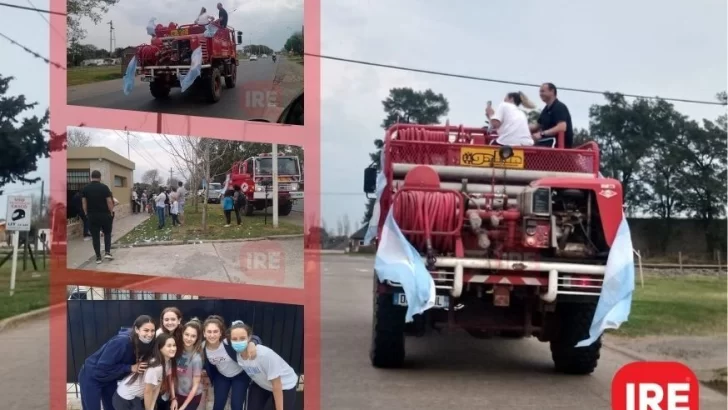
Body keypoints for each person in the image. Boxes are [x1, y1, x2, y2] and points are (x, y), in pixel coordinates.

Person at [78, 315, 156, 410]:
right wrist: (130, 368)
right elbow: (103, 366)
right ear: (136, 329)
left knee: (112, 407)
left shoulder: (144, 342)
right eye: (146, 330)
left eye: (152, 331)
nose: (150, 334)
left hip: (110, 377)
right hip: (91, 376)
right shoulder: (121, 342)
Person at [230, 321, 299, 410]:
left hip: (284, 385)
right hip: (262, 384)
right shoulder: (238, 356)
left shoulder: (264, 355)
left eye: (242, 338)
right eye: (234, 339)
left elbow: (277, 385)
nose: (238, 342)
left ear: (249, 337)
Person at [201, 316, 261, 410]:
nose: (212, 335)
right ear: (204, 333)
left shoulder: (228, 341)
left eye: (215, 331)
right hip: (221, 376)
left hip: (240, 375)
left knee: (236, 405)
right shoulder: (203, 347)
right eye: (209, 332)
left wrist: (252, 343)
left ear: (221, 333)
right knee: (218, 405)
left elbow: (254, 338)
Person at [113, 333, 178, 410]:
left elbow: (157, 386)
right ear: (160, 348)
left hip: (136, 397)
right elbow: (148, 392)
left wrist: (152, 405)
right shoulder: (156, 368)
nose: (173, 348)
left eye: (174, 345)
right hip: (124, 398)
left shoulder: (168, 362)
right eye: (169, 346)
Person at [81, 170, 115, 264]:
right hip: (104, 215)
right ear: (100, 177)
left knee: (95, 237)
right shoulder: (104, 188)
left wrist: (86, 213)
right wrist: (111, 212)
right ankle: (107, 252)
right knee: (107, 233)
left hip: (92, 216)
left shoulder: (85, 188)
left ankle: (98, 257)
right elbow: (109, 201)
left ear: (91, 177)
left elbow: (84, 202)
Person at [530, 82, 574, 148]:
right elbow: (537, 126)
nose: (540, 94)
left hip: (557, 148)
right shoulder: (546, 109)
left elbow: (562, 127)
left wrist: (542, 134)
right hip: (547, 144)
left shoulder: (559, 107)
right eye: (540, 92)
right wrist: (521, 126)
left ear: (552, 91)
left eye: (542, 91)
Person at [174, 319, 205, 410]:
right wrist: (173, 397)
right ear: (182, 334)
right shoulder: (176, 351)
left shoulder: (196, 358)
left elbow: (195, 385)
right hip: (177, 394)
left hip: (192, 396)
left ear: (197, 338)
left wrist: (184, 407)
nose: (189, 338)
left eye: (193, 336)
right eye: (186, 334)